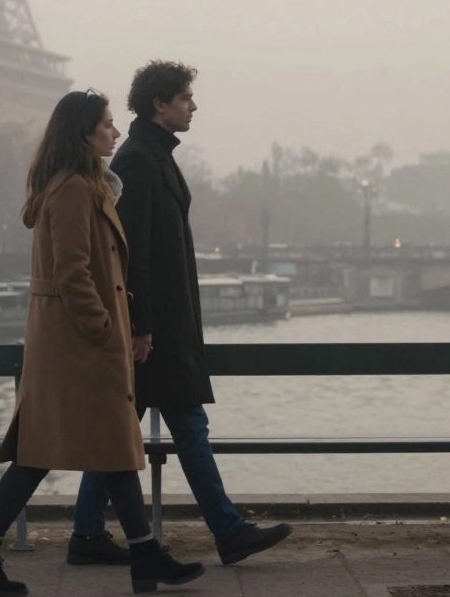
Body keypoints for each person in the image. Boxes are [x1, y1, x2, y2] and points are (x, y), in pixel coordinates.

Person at [0, 89, 205, 596]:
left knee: (95, 449)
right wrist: (105, 329)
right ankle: (141, 556)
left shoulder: (85, 185)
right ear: (84, 132)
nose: (115, 132)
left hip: (74, 344)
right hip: (81, 345)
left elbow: (89, 266)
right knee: (62, 451)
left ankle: (139, 555)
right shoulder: (72, 189)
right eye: (108, 125)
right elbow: (73, 272)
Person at [67, 61, 293, 567]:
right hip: (157, 330)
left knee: (119, 429)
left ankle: (86, 534)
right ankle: (228, 531)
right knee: (187, 426)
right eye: (186, 97)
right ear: (160, 104)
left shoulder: (150, 156)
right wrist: (142, 326)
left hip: (159, 326)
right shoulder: (141, 161)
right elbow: (133, 251)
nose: (193, 105)